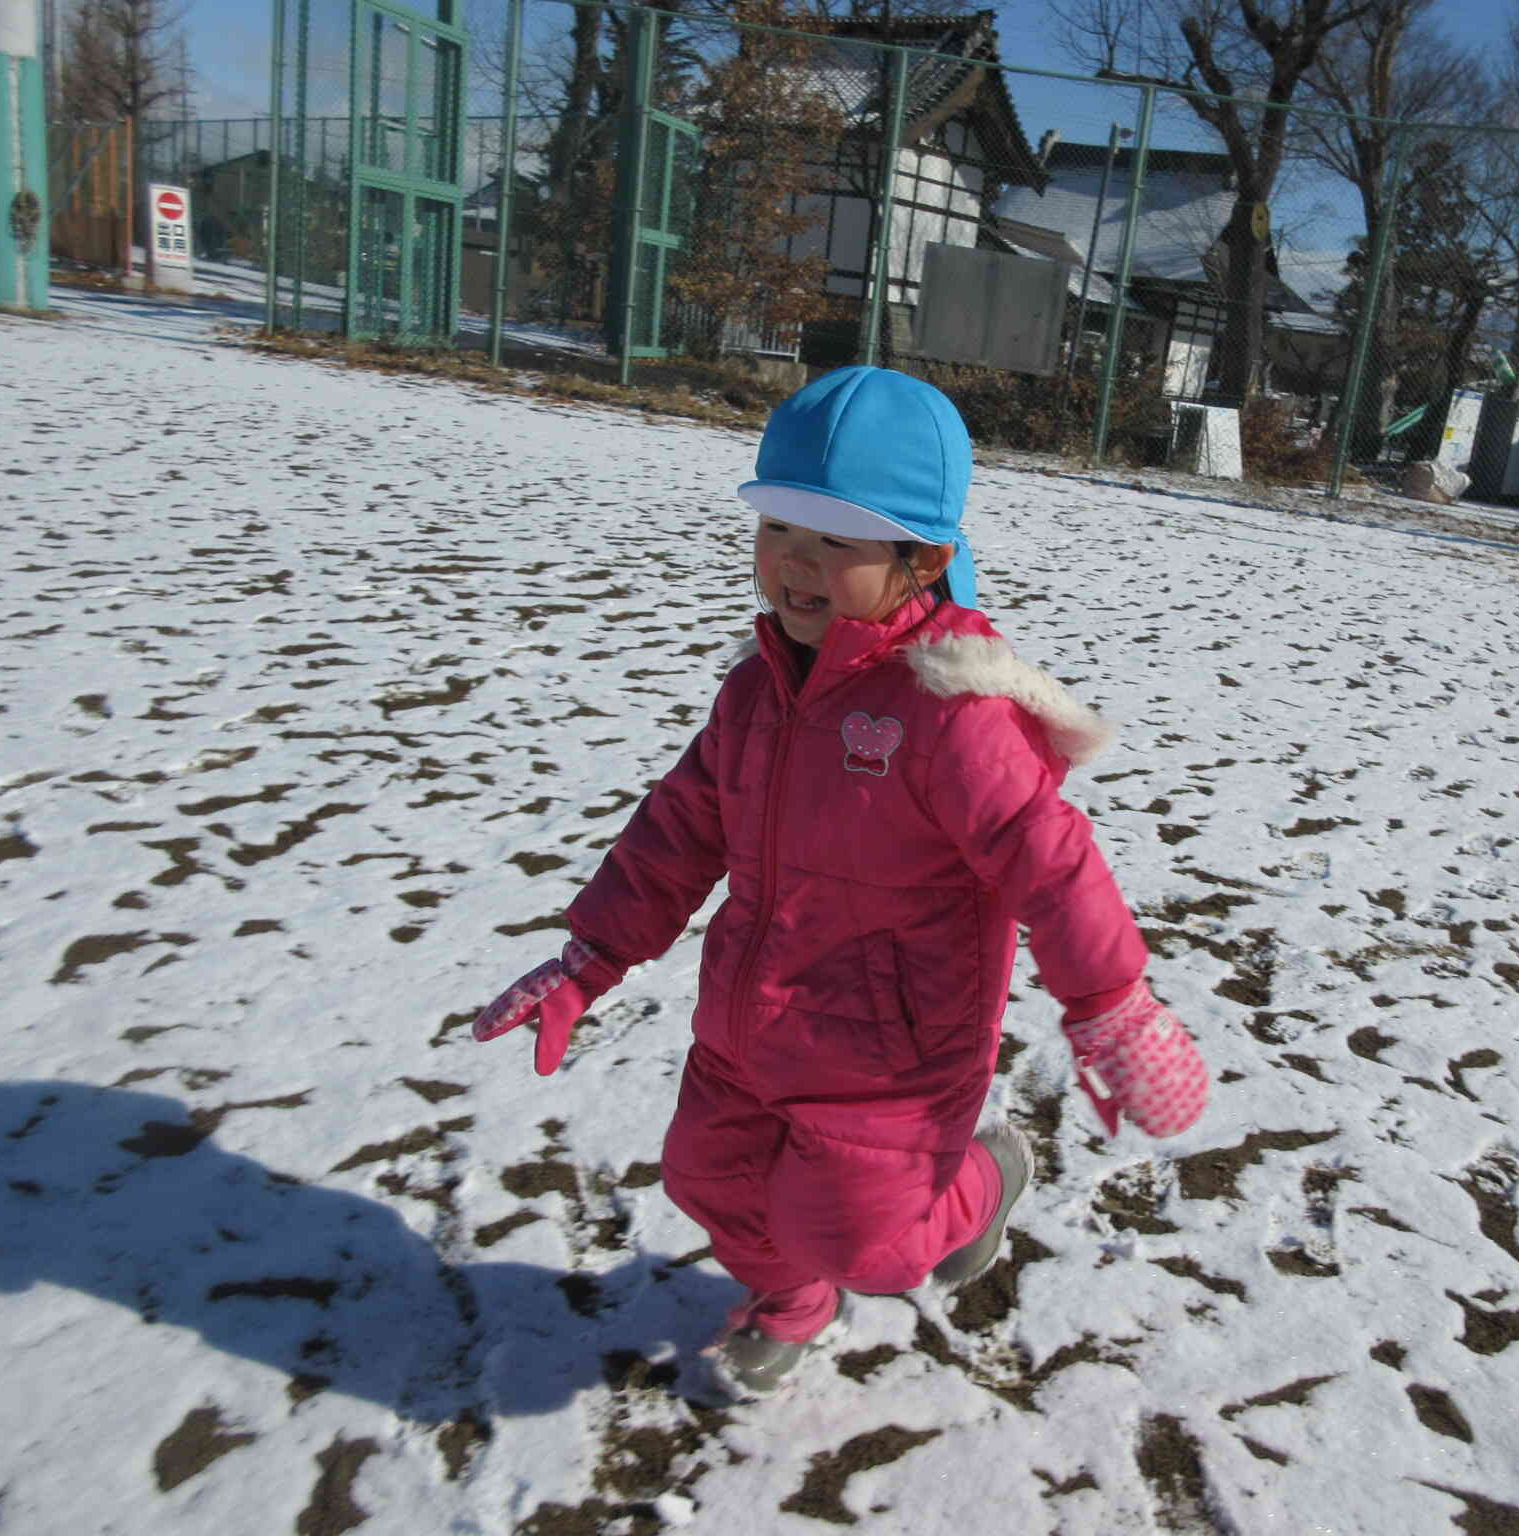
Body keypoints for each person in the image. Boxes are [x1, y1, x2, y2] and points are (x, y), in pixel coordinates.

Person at [472, 365, 1209, 1400]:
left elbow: (1048, 856)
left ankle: (986, 1172)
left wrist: (1110, 1003)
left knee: (873, 1246)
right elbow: (681, 827)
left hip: (893, 1059)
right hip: (748, 1025)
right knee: (708, 1182)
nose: (794, 565)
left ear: (924, 559)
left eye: (836, 542)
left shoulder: (950, 712)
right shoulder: (757, 688)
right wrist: (591, 956)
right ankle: (788, 1303)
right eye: (778, 530)